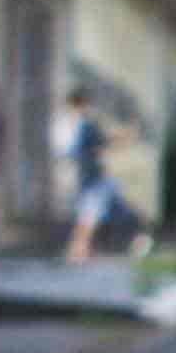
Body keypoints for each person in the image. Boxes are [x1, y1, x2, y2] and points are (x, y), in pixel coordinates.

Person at [58, 91, 126, 263]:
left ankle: (79, 251)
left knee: (88, 217)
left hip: (84, 178)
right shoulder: (83, 126)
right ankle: (78, 252)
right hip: (90, 178)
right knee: (89, 218)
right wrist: (123, 138)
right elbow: (98, 144)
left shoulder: (68, 125)